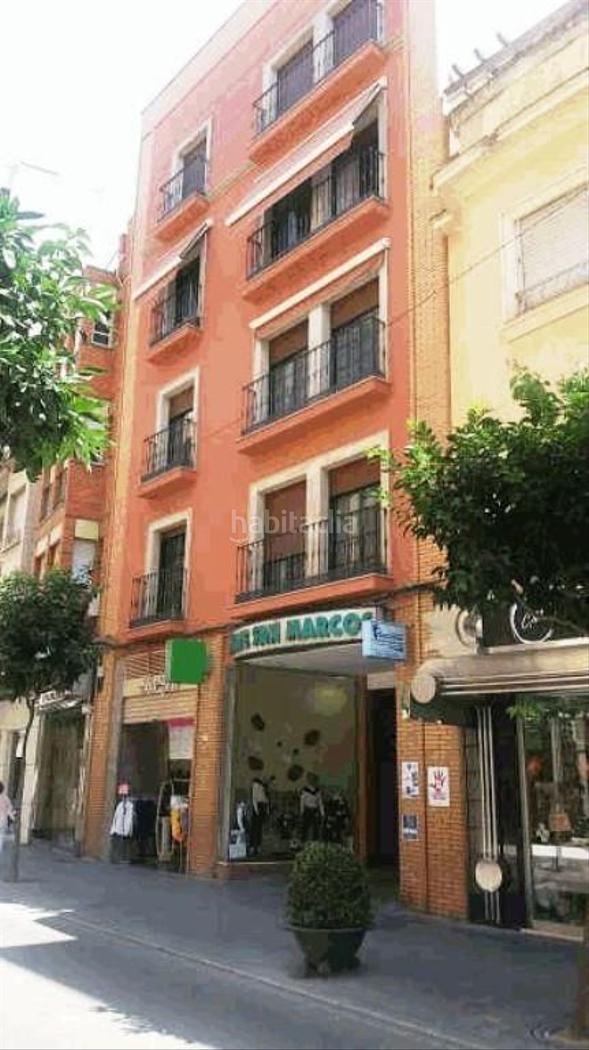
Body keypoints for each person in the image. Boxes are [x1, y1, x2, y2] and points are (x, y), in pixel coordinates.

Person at [0, 781, 15, 854]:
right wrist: (13, 818)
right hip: (3, 821)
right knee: (1, 837)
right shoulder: (6, 798)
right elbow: (10, 809)